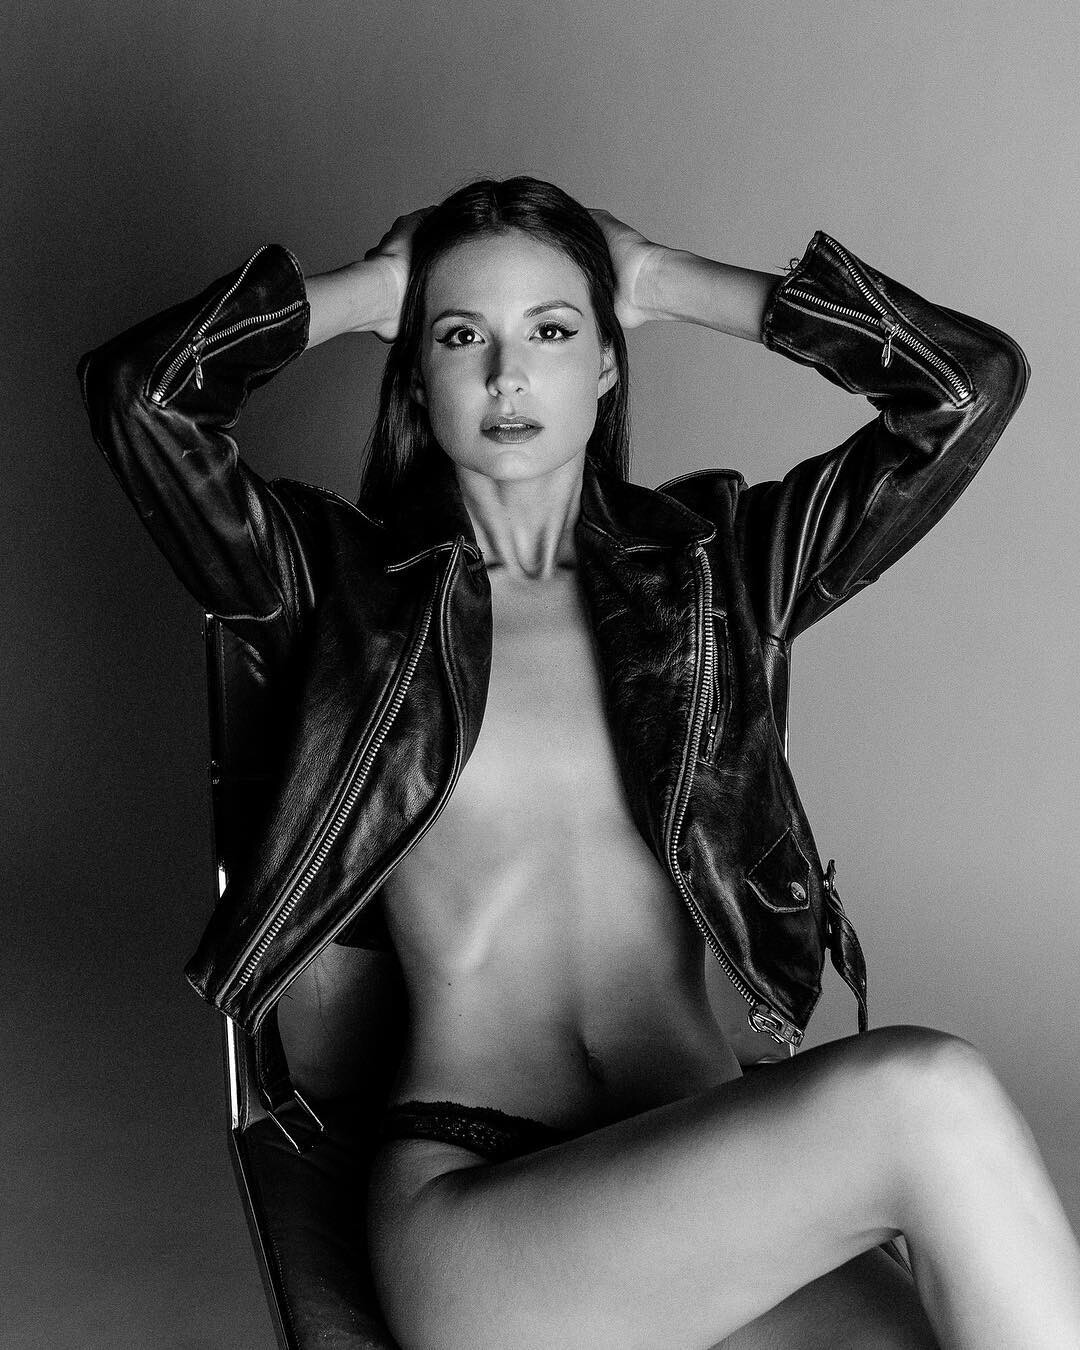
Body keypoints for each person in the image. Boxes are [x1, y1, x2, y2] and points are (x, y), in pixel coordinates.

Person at [78, 176, 1080, 1349]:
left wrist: (659, 279)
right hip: (483, 1195)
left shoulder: (717, 573)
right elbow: (141, 397)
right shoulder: (332, 589)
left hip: (706, 1159)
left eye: (553, 331)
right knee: (928, 1096)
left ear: (607, 363)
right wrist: (371, 290)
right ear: (416, 373)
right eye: (463, 337)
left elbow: (964, 389)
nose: (509, 375)